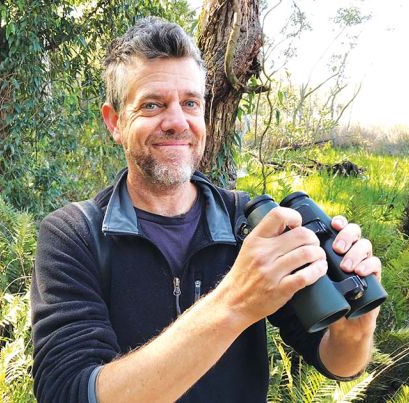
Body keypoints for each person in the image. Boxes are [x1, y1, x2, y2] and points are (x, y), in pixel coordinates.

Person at [30, 16, 382, 403]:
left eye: (190, 103)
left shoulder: (250, 223)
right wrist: (234, 302)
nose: (177, 122)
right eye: (152, 105)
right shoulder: (73, 235)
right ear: (115, 122)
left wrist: (356, 325)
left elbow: (339, 364)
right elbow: (68, 393)